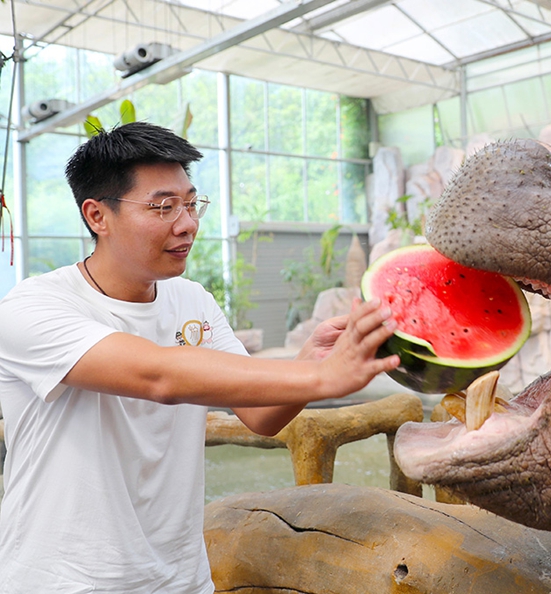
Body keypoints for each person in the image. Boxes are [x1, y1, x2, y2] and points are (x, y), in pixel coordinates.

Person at [0, 121, 400, 593]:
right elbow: (156, 375)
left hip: (181, 580)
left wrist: (308, 361)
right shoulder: (32, 308)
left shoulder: (192, 300)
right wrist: (324, 379)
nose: (187, 223)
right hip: (64, 581)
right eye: (163, 207)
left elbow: (261, 415)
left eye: (191, 204)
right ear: (97, 216)